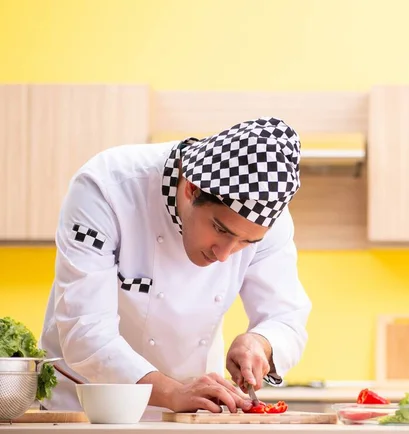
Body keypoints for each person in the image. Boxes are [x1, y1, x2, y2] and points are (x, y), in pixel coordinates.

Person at [38, 117, 312, 414]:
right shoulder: (107, 188)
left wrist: (259, 343)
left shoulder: (269, 220)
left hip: (193, 413)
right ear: (191, 188)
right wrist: (173, 392)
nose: (225, 256)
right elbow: (85, 331)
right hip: (88, 409)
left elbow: (286, 317)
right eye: (221, 230)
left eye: (247, 243)